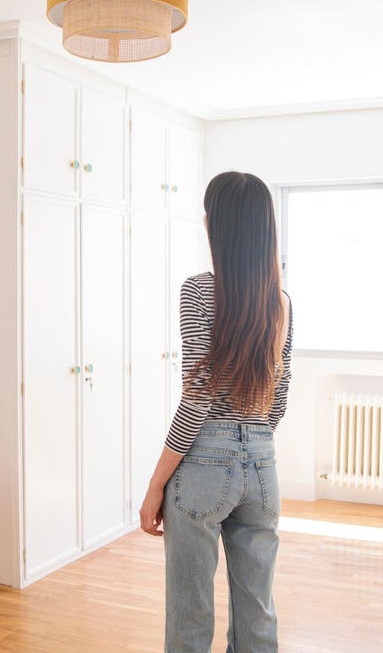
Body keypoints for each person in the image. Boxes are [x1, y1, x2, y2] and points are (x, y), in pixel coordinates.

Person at [139, 171, 294, 653]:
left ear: (214, 225)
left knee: (190, 609)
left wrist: (157, 483)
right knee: (257, 608)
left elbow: (198, 397)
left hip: (205, 464)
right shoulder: (282, 302)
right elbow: (279, 397)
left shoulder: (199, 291)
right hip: (263, 466)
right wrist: (251, 442)